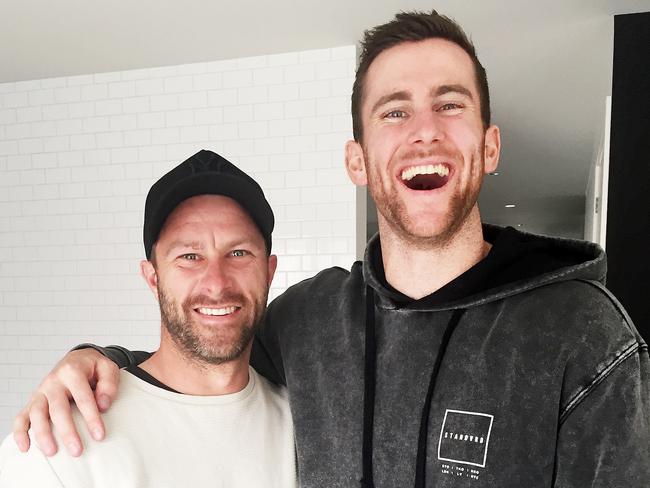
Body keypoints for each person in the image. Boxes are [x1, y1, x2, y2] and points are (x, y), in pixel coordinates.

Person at [11, 10, 650, 488]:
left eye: (449, 104)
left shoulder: (582, 337)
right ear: (357, 161)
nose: (424, 130)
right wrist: (96, 359)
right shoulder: (311, 321)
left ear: (489, 146)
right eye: (394, 112)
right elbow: (205, 355)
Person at [0, 150, 296, 487]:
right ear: (153, 278)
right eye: (189, 256)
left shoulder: (305, 425)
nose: (217, 283)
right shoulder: (57, 446)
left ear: (269, 271)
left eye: (238, 253)